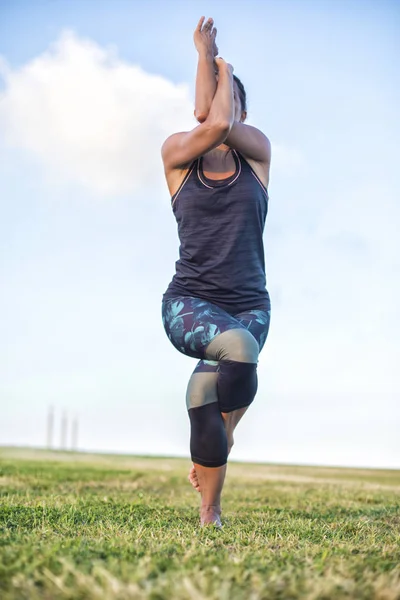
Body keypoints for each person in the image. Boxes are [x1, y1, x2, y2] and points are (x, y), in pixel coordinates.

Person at [161, 16, 272, 527]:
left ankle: (210, 512)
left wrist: (218, 65)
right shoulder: (178, 157)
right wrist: (211, 58)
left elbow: (224, 124)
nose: (216, 114)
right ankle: (222, 441)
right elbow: (212, 124)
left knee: (203, 396)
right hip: (189, 304)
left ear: (242, 110)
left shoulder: (259, 156)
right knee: (238, 352)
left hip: (250, 306)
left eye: (228, 101)